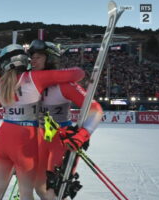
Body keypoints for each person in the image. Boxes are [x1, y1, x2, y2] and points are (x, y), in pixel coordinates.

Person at [0, 44, 85, 200]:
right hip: (26, 139)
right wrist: (52, 71)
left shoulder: (0, 84)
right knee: (26, 193)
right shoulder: (34, 77)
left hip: (4, 136)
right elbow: (77, 74)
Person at [27, 40, 103, 200]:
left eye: (38, 57)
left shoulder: (64, 85)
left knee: (53, 192)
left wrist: (83, 134)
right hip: (40, 140)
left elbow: (96, 110)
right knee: (38, 187)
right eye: (32, 57)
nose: (33, 60)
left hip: (60, 141)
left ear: (51, 59)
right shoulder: (31, 83)